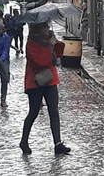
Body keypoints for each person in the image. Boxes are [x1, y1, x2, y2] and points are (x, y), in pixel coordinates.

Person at [20, 22, 71, 155]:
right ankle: (24, 141)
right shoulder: (31, 42)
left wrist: (55, 43)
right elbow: (40, 62)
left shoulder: (49, 39)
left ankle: (58, 143)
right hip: (36, 82)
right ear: (39, 28)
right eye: (45, 27)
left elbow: (58, 55)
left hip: (51, 80)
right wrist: (49, 46)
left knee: (54, 111)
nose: (47, 29)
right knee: (34, 112)